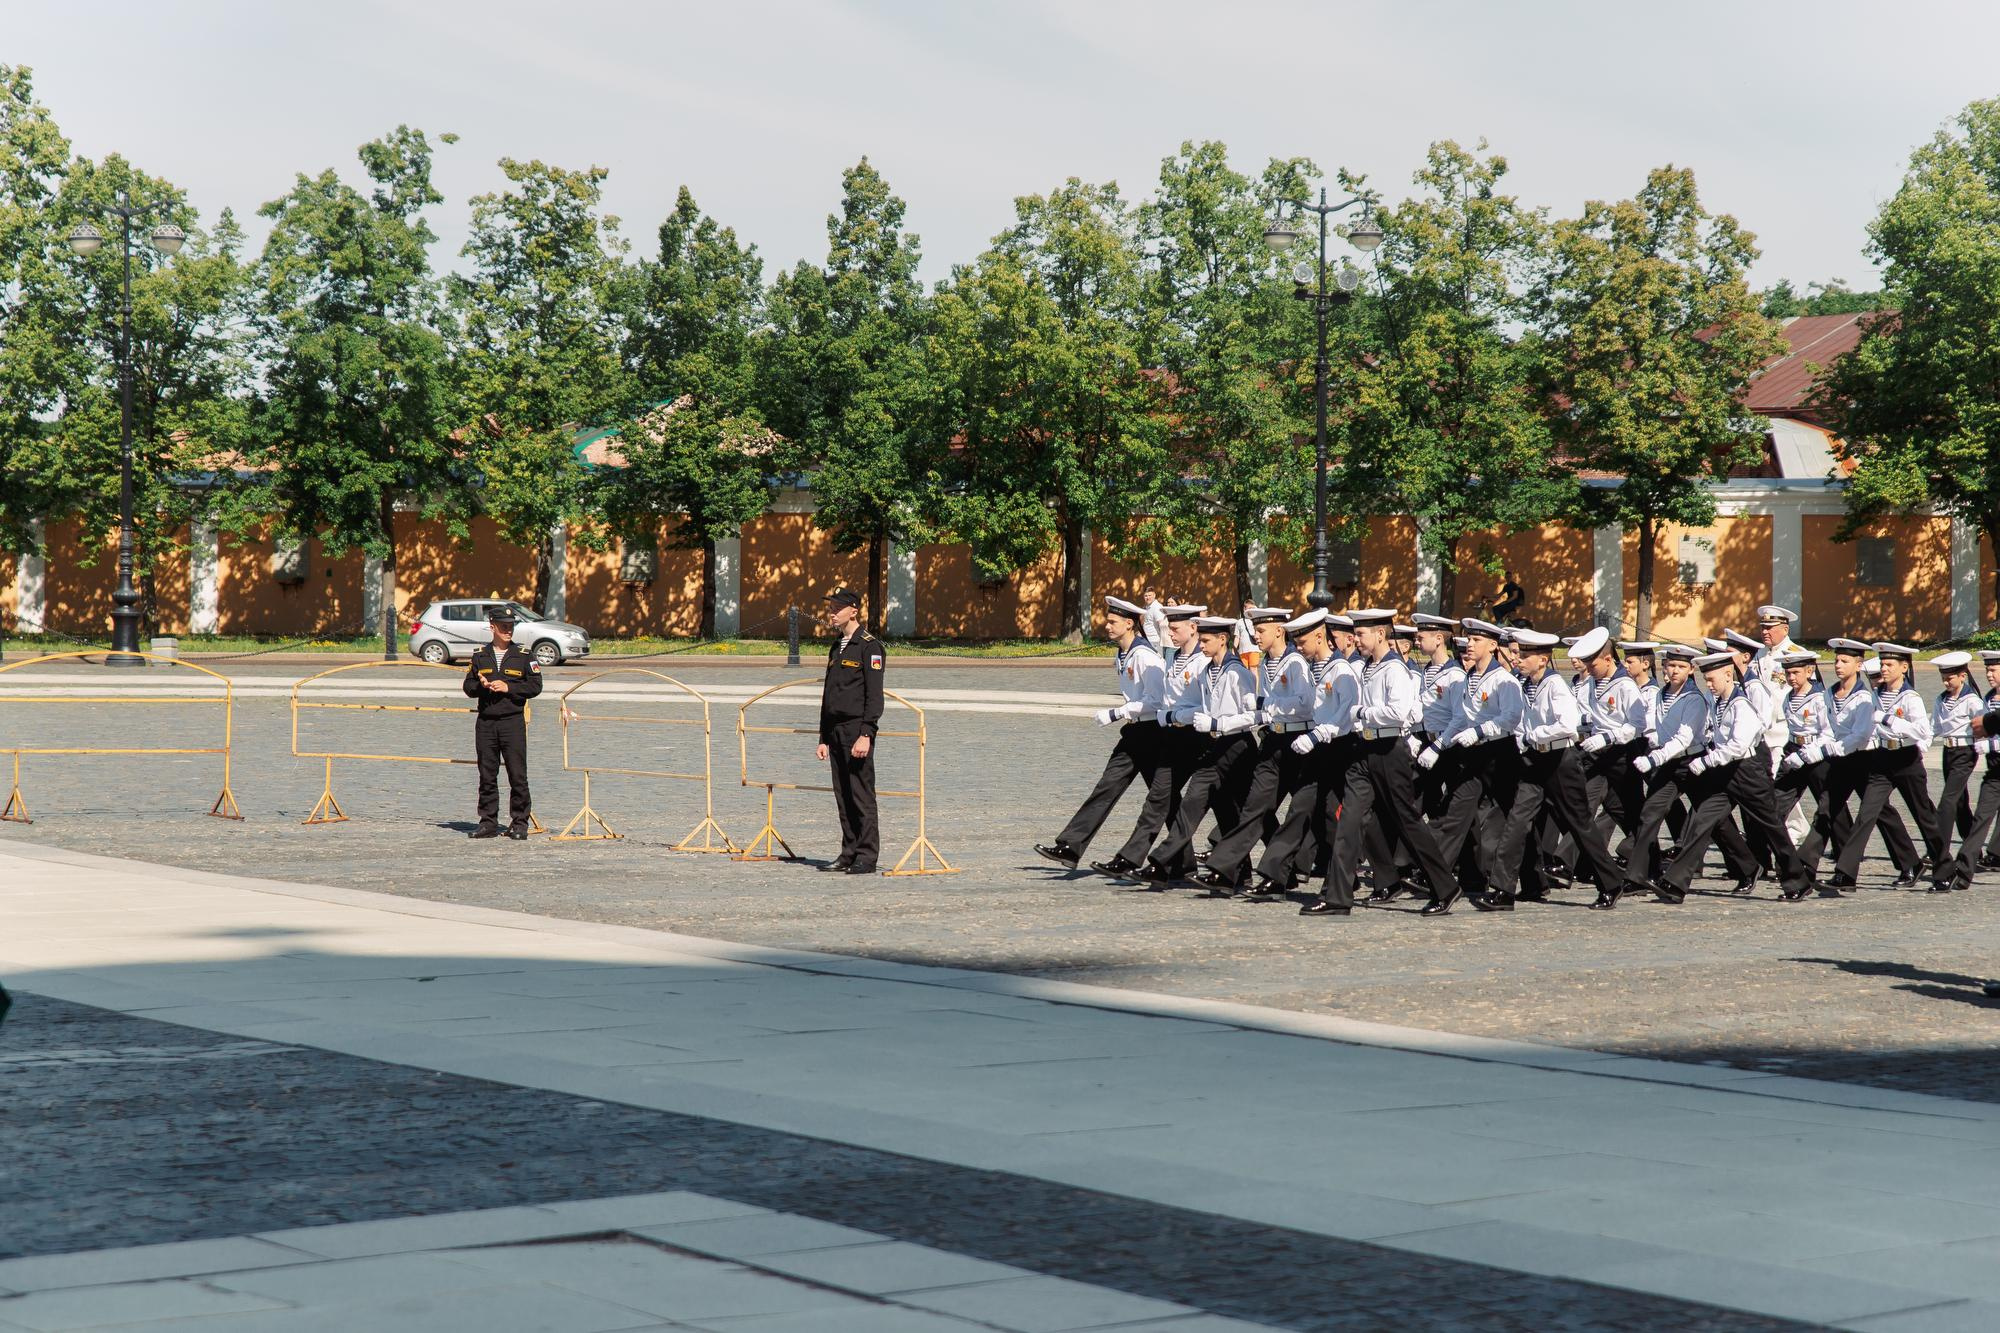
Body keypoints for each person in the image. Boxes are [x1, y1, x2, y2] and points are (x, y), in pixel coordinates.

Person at [1303, 609, 1462, 917]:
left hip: (1389, 750)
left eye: (1361, 634)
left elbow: (1399, 712)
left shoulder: (1394, 669)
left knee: (1407, 821)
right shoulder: (1367, 667)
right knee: (1349, 821)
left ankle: (1445, 887)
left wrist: (1364, 713)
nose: (1356, 640)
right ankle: (1337, 896)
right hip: (1364, 750)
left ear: (1379, 634)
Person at [1475, 629, 1626, 911]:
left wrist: (1534, 735)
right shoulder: (1526, 684)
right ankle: (1504, 890)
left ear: (1543, 660)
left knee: (1580, 825)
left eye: (1525, 655)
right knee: (1517, 822)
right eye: (1518, 654)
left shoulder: (1555, 684)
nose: (1518, 659)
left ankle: (1611, 884)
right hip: (1535, 761)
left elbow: (1567, 725)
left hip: (1560, 761)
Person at [1037, 596, 1168, 874]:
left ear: (1129, 624)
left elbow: (1157, 701)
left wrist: (1118, 712)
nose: (1106, 626)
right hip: (1135, 733)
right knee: (1106, 787)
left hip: (1153, 734)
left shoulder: (1144, 656)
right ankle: (1071, 845)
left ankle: (1182, 859)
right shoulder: (1123, 653)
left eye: (1112, 622)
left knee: (1165, 800)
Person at [1135, 616, 1261, 883]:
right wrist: (1177, 716)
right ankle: (1162, 863)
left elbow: (1254, 716)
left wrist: (1219, 723)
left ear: (1222, 640)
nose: (1201, 645)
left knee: (1245, 813)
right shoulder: (1207, 671)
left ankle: (1275, 869)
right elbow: (1203, 708)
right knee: (1193, 805)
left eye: (1206, 640)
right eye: (1200, 640)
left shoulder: (1237, 672)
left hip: (1238, 747)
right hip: (1214, 746)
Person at [817, 586, 884, 874]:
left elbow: (874, 696)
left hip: (856, 730)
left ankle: (866, 856)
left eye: (837, 608)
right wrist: (823, 736)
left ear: (853, 610)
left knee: (860, 795)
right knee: (843, 795)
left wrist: (866, 734)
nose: (831, 613)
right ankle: (848, 852)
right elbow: (829, 695)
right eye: (830, 608)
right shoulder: (837, 646)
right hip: (835, 731)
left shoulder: (869, 646)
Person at [464, 608, 543, 840]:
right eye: (503, 626)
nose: (508, 630)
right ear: (492, 627)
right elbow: (468, 687)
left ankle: (519, 823)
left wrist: (509, 687)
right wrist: (481, 686)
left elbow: (535, 686)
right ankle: (488, 822)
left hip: (512, 722)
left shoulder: (524, 655)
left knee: (517, 775)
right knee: (487, 775)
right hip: (486, 723)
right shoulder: (480, 655)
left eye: (511, 626)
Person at [1928, 650, 1983, 890]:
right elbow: (1934, 728)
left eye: (1950, 678)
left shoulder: (1972, 701)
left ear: (1963, 676)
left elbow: (1983, 725)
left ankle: (1937, 850)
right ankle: (1974, 847)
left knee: (1947, 802)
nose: (1946, 682)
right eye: (1943, 678)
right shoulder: (1941, 700)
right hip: (1948, 751)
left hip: (1965, 752)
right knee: (1959, 802)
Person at [1140, 587, 1170, 652]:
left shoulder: (1156, 607)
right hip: (1148, 639)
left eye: (1149, 595)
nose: (1148, 598)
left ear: (1154, 595)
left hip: (1155, 641)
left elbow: (1162, 625)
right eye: (1146, 596)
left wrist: (1164, 642)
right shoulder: (1148, 606)